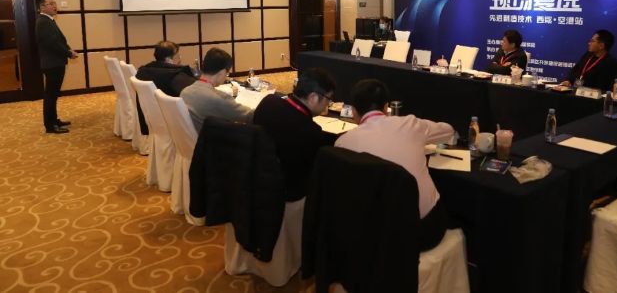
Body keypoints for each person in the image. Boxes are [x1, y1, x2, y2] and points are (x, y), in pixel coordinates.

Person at [335, 79, 454, 251]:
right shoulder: (411, 124)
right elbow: (448, 131)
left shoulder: (342, 143)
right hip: (424, 231)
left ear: (353, 111)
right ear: (386, 107)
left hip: (373, 234)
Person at [253, 68, 338, 202]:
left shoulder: (268, 102)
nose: (328, 104)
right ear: (313, 97)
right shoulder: (311, 131)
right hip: (288, 195)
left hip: (255, 180)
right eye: (328, 99)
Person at [180, 48, 253, 133]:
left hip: (194, 138)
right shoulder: (219, 98)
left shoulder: (185, 92)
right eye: (227, 73)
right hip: (213, 139)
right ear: (222, 72)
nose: (226, 76)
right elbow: (250, 116)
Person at [35, 0, 78, 134]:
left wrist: (68, 49)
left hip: (54, 62)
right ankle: (50, 125)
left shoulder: (48, 20)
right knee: (51, 95)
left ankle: (54, 120)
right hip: (52, 63)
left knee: (53, 94)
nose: (55, 6)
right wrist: (69, 53)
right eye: (51, 4)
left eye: (54, 3)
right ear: (42, 7)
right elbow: (53, 44)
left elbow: (59, 40)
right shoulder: (43, 22)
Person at [135, 40, 196, 134]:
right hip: (173, 121)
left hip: (152, 117)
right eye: (177, 56)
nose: (180, 59)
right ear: (168, 59)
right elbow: (195, 92)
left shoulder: (142, 71)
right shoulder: (175, 76)